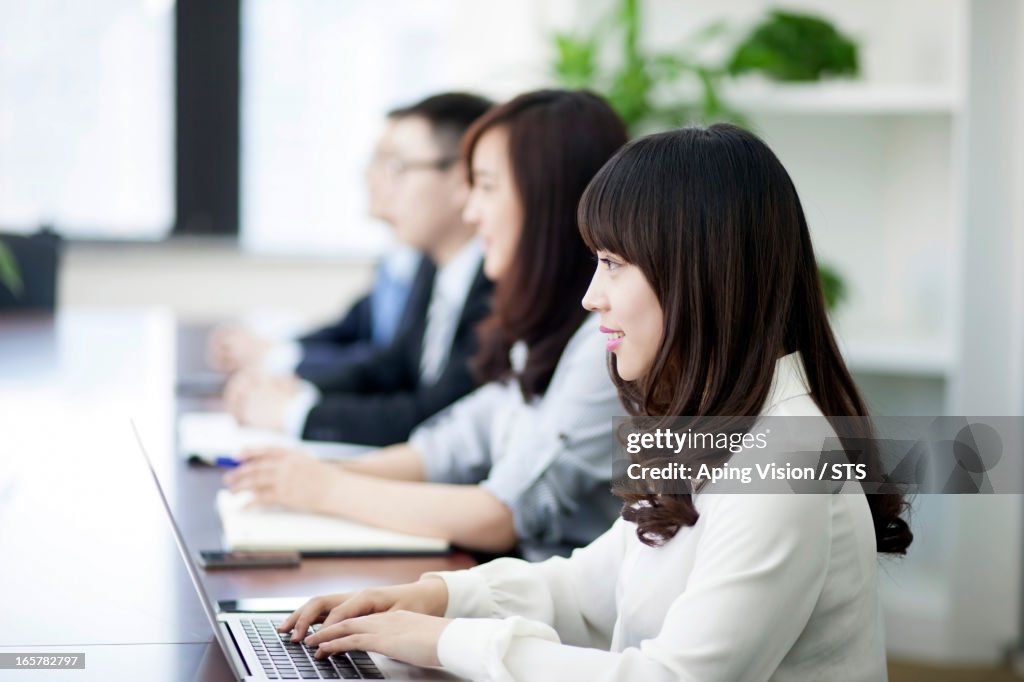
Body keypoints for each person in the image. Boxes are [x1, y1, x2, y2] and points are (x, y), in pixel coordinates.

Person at [274, 124, 914, 681]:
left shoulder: (787, 457)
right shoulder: (709, 422)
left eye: (613, 263)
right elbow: (591, 590)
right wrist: (433, 597)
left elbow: (675, 679)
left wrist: (447, 641)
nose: (591, 296)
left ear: (698, 274)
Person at [224, 90, 630, 560]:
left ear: (547, 200)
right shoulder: (540, 331)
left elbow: (501, 515)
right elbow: (451, 443)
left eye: (486, 187)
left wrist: (327, 488)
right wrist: (307, 475)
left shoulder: (603, 344)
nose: (470, 210)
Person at [221, 92, 496, 446]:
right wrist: (297, 390)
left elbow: (436, 413)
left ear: (461, 179)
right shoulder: (434, 266)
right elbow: (389, 368)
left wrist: (297, 412)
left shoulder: (495, 282)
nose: (378, 182)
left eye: (397, 167)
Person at [207, 117, 422, 382]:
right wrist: (273, 347)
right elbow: (348, 332)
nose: (368, 173)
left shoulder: (432, 266)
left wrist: (277, 356)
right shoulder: (396, 258)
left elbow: (386, 365)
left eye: (391, 162)